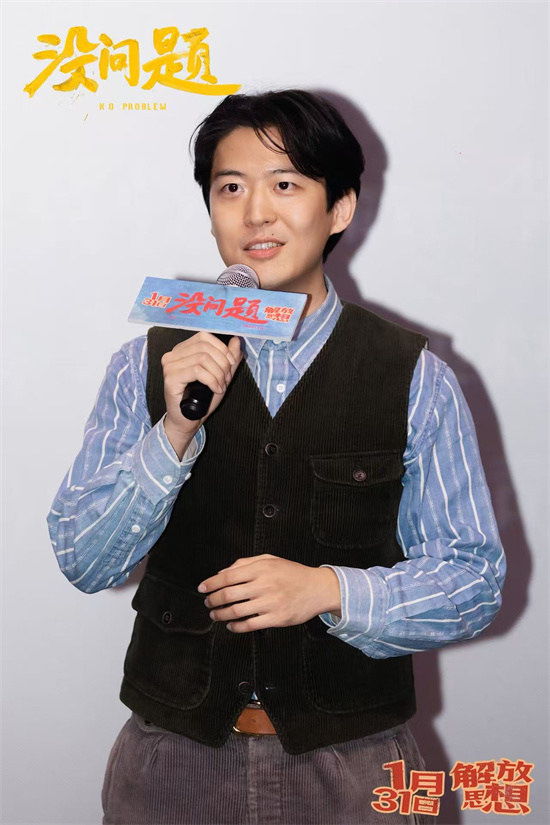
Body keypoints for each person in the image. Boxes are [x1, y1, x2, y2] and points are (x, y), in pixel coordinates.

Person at [48, 89, 506, 825]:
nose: (256, 212)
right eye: (230, 188)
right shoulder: (147, 364)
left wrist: (329, 590)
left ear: (340, 207)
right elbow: (83, 559)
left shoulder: (415, 377)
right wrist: (173, 432)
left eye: (285, 184)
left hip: (355, 763)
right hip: (170, 761)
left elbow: (474, 580)